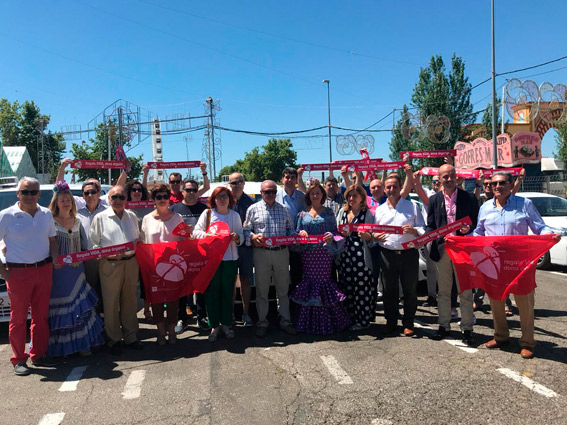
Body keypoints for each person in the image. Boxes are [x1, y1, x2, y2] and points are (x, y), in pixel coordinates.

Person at [473, 172, 559, 359]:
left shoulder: (524, 204)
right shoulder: (485, 207)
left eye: (502, 183)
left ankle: (527, 342)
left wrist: (549, 234)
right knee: (496, 301)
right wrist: (466, 237)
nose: (498, 187)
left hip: (520, 263)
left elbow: (540, 227)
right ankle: (501, 336)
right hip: (495, 264)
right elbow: (478, 232)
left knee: (525, 303)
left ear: (511, 184)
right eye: (494, 184)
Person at [0, 177, 60, 376]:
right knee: (17, 319)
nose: (29, 196)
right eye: (25, 192)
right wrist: (4, 273)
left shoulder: (46, 214)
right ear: (18, 193)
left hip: (43, 270)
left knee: (40, 316)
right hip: (17, 273)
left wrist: (54, 258)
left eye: (33, 192)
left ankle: (38, 354)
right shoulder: (6, 215)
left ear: (39, 194)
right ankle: (19, 359)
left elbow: (52, 241)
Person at [47, 181, 105, 357]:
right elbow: (48, 243)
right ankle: (64, 347)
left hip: (77, 269)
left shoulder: (78, 220)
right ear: (56, 202)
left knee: (80, 306)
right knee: (62, 306)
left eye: (68, 200)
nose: (65, 202)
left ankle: (83, 343)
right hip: (59, 271)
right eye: (62, 200)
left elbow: (83, 244)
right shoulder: (49, 220)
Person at [426, 164, 479, 346]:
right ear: (439, 179)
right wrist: (425, 237)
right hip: (442, 250)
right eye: (445, 177)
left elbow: (476, 222)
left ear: (457, 177)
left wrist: (469, 228)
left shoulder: (468, 197)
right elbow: (430, 224)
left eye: (451, 176)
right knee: (443, 291)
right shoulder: (434, 200)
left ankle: (467, 328)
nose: (449, 179)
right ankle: (444, 326)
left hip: (462, 249)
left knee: (465, 290)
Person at [89, 185, 143, 355]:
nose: (118, 200)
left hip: (131, 262)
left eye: (121, 197)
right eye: (114, 197)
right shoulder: (100, 218)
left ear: (126, 199)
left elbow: (138, 238)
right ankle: (114, 339)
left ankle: (131, 336)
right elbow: (94, 244)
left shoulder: (132, 216)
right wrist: (109, 254)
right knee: (111, 302)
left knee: (130, 300)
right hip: (110, 264)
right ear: (109, 199)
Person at [291, 182, 350, 334]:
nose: (315, 195)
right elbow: (296, 233)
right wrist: (301, 234)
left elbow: (335, 232)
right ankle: (308, 322)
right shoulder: (302, 214)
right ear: (308, 196)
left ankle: (328, 321)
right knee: (309, 283)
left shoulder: (329, 213)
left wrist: (331, 236)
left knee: (324, 283)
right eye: (312, 193)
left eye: (318, 193)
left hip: (324, 255)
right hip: (308, 255)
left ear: (322, 195)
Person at [243, 180, 297, 338]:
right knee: (262, 290)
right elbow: (246, 230)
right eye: (267, 192)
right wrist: (252, 237)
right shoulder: (253, 209)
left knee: (283, 289)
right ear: (261, 193)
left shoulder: (284, 209)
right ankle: (262, 322)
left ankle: (285, 321)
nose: (270, 194)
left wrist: (296, 236)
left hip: (281, 252)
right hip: (262, 253)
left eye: (273, 191)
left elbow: (290, 229)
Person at [373, 174, 425, 336]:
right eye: (388, 187)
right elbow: (374, 230)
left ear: (400, 187)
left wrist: (415, 231)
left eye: (394, 186)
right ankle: (391, 322)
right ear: (384, 189)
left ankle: (408, 323)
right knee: (389, 291)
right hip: (387, 254)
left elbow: (423, 228)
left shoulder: (412, 206)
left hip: (409, 253)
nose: (391, 190)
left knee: (410, 290)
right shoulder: (380, 210)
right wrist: (374, 236)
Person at [194, 187, 244, 341]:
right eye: (219, 196)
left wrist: (236, 237)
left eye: (225, 196)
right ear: (214, 199)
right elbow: (196, 232)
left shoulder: (234, 215)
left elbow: (241, 236)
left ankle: (227, 324)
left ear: (230, 199)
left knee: (227, 292)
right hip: (211, 260)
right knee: (212, 292)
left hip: (230, 259)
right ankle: (214, 325)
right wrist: (208, 235)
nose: (222, 199)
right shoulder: (208, 214)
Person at [141, 184, 184, 345]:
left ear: (169, 198)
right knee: (156, 300)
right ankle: (160, 332)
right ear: (153, 199)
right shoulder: (146, 219)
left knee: (173, 300)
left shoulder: (177, 217)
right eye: (158, 197)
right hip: (154, 266)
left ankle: (172, 331)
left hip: (174, 267)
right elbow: (144, 243)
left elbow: (184, 242)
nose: (162, 200)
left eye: (165, 196)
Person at [170, 179, 210, 333]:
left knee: (201, 288)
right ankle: (182, 318)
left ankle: (202, 317)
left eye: (194, 189)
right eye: (188, 190)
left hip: (201, 253)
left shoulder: (206, 209)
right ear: (183, 191)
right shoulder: (174, 208)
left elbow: (210, 229)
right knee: (183, 288)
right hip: (181, 254)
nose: (192, 192)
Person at [336, 184, 375, 330]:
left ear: (362, 198)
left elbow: (373, 237)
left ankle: (362, 320)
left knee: (362, 289)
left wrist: (367, 236)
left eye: (355, 196)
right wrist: (341, 235)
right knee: (346, 287)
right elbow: (336, 233)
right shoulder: (342, 212)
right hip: (345, 256)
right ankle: (348, 319)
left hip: (361, 256)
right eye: (349, 196)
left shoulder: (367, 214)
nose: (352, 198)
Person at [228, 172, 256, 327]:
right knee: (230, 281)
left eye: (239, 181)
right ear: (229, 184)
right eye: (233, 182)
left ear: (244, 183)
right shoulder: (224, 200)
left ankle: (246, 313)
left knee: (245, 280)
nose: (237, 184)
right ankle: (231, 315)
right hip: (228, 248)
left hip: (245, 248)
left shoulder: (251, 202)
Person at [275, 167, 306, 295]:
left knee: (297, 274)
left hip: (298, 243)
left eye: (293, 177)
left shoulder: (302, 196)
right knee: (280, 275)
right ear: (282, 179)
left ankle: (296, 303)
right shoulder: (275, 196)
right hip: (281, 242)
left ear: (296, 180)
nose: (289, 180)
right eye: (287, 177)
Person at [55, 158, 127, 209]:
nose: (90, 195)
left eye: (94, 191)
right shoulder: (79, 203)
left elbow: (118, 188)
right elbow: (60, 189)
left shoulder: (105, 201)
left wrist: (126, 170)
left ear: (99, 192)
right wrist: (62, 168)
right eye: (87, 192)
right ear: (83, 194)